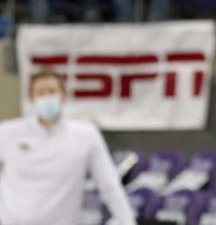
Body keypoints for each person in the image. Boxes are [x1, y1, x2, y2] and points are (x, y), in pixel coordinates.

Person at [0, 69, 136, 225]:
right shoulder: (7, 133)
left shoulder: (85, 135)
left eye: (51, 91)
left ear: (63, 95)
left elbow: (109, 185)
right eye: (40, 93)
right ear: (31, 98)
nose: (46, 97)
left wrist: (128, 221)